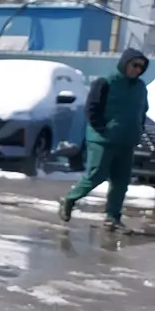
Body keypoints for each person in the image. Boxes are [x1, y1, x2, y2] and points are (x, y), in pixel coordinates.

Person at [59, 47, 149, 233]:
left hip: (127, 141)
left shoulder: (140, 87)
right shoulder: (105, 82)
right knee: (97, 174)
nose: (137, 70)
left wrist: (138, 129)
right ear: (125, 63)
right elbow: (91, 108)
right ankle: (70, 198)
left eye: (141, 67)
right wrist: (102, 129)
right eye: (134, 65)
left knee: (121, 182)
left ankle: (112, 218)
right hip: (103, 140)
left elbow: (142, 110)